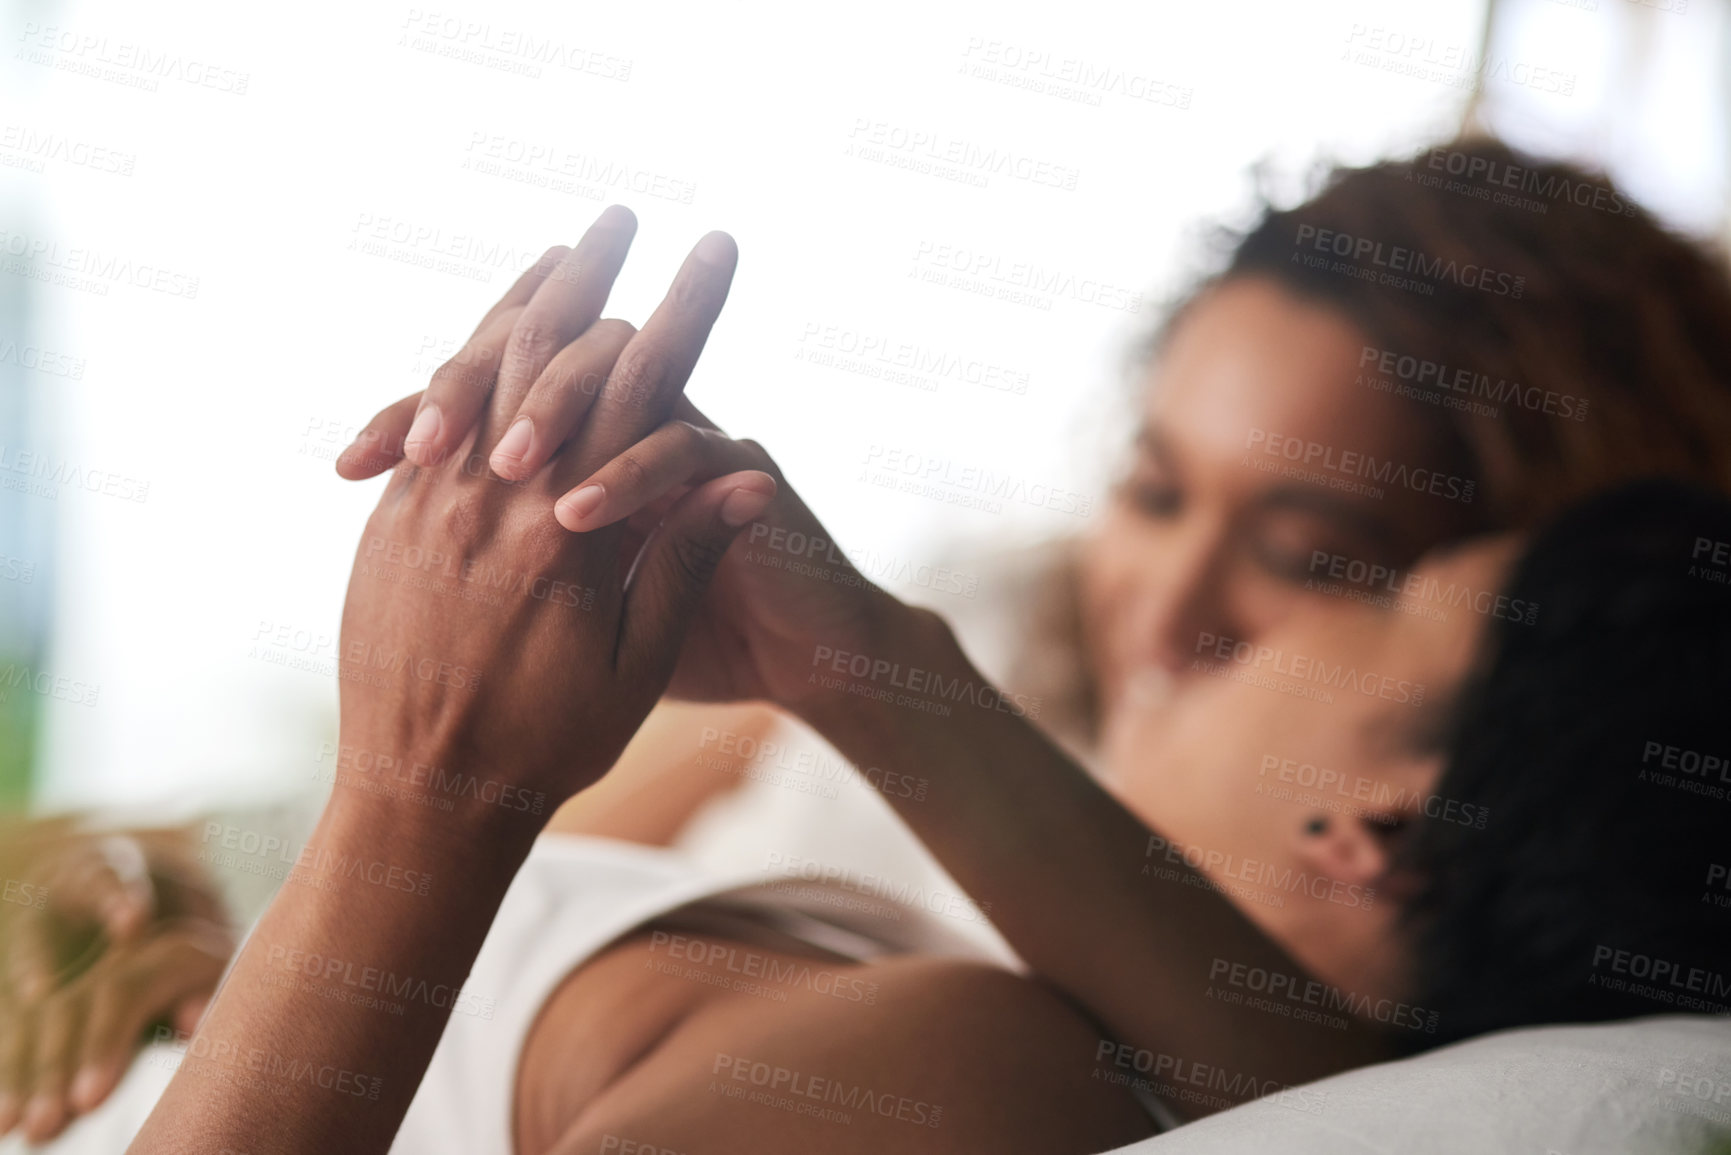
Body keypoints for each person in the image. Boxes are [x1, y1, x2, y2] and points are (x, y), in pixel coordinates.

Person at [7, 133, 1731, 1142]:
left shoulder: (958, 1042)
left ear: (1375, 828)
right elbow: (1293, 1061)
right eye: (1149, 493)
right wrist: (179, 900)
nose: (1170, 619)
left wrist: (419, 789)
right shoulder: (975, 705)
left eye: (1345, 569)